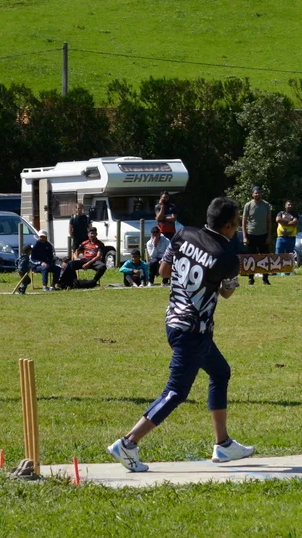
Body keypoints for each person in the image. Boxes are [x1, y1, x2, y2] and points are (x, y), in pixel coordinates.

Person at [107, 197, 254, 472]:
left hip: (174, 320)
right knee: (175, 392)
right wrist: (227, 277)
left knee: (220, 372)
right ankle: (128, 442)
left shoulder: (184, 233)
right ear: (227, 226)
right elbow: (226, 293)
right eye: (236, 224)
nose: (237, 228)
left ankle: (223, 444)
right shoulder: (227, 258)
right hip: (192, 331)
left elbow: (163, 270)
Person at [241, 186, 272, 286]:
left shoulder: (266, 205)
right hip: (251, 235)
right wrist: (244, 236)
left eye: (259, 193)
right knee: (251, 258)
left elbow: (269, 221)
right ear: (252, 194)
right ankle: (251, 279)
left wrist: (269, 235)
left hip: (263, 235)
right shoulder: (248, 205)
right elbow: (244, 222)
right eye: (255, 193)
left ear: (261, 194)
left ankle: (265, 279)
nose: (257, 194)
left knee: (265, 257)